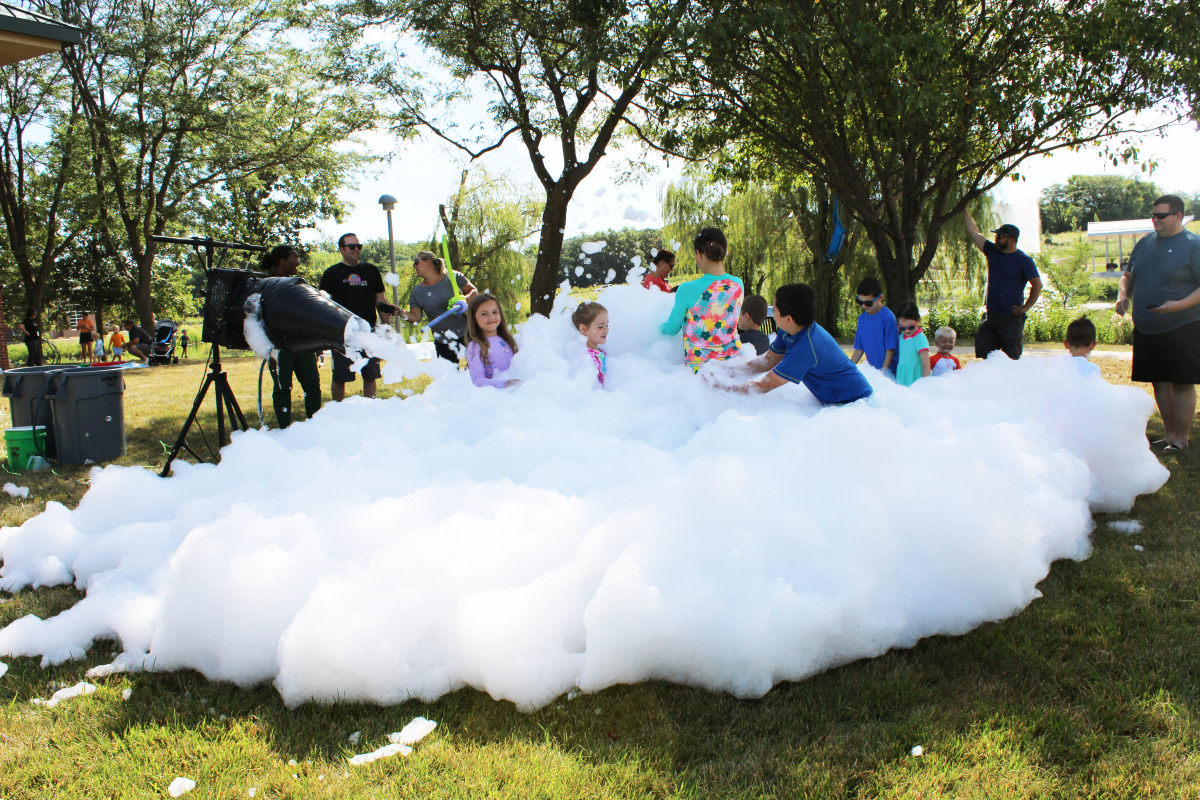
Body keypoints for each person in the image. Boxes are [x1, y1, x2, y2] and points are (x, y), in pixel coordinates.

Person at [1115, 194, 1200, 451]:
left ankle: (1182, 439)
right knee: (1160, 382)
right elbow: (1128, 274)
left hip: (1182, 326)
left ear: (1178, 216)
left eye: (1161, 216)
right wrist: (1122, 296)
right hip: (1146, 328)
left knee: (1182, 382)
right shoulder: (1145, 243)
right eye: (1153, 215)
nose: (1155, 220)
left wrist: (1178, 306)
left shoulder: (1193, 245)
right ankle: (1170, 435)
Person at [704, 283, 873, 405]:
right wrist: (729, 370)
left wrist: (724, 389)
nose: (773, 314)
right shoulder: (790, 329)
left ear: (788, 319)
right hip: (838, 402)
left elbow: (764, 386)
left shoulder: (806, 347)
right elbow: (768, 360)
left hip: (856, 403)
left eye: (775, 310)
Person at [318, 233, 398, 401]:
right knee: (340, 376)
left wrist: (386, 327)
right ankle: (338, 409)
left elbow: (380, 300)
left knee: (370, 374)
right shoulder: (331, 273)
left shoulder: (371, 270)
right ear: (342, 249)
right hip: (343, 334)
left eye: (358, 246)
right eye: (352, 246)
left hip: (368, 332)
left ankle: (371, 407)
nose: (356, 250)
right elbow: (324, 305)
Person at [962, 211, 1043, 360]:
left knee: (1011, 360)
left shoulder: (1024, 260)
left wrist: (1025, 307)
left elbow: (1037, 285)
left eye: (1000, 237)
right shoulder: (993, 252)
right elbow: (974, 234)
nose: (996, 239)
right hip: (991, 316)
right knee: (983, 358)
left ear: (1012, 240)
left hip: (1011, 319)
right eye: (996, 236)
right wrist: (964, 211)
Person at [661, 228, 744, 371]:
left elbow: (672, 328)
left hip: (699, 370)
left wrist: (651, 329)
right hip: (733, 365)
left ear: (699, 254)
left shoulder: (687, 289)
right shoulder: (738, 284)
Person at [263, 245, 323, 426]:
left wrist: (316, 345)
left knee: (312, 386)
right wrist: (270, 350)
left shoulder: (297, 283)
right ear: (282, 261)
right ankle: (284, 427)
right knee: (283, 388)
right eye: (294, 258)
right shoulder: (267, 284)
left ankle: (315, 424)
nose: (297, 262)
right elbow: (263, 318)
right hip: (279, 346)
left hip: (302, 344)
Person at [400, 250, 479, 364]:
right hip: (443, 340)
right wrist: (398, 311)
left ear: (428, 262)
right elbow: (416, 318)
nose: (414, 266)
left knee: (478, 370)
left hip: (468, 333)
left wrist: (464, 299)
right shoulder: (417, 292)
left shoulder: (453, 276)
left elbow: (473, 291)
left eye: (417, 261)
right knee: (449, 378)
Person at [465, 293, 520, 388]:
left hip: (516, 393)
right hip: (496, 397)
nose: (491, 317)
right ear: (474, 318)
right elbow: (477, 380)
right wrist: (504, 384)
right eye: (484, 314)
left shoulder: (508, 340)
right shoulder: (475, 346)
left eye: (495, 312)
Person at [848, 277, 898, 376]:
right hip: (874, 372)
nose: (863, 306)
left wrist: (884, 373)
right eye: (860, 302)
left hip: (890, 373)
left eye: (868, 303)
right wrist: (848, 370)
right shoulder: (861, 319)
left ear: (880, 297)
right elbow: (859, 349)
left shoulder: (888, 317)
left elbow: (890, 350)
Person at [894, 302, 931, 387]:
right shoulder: (902, 336)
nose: (907, 331)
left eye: (911, 327)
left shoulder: (920, 339)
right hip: (903, 377)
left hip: (916, 378)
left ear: (918, 321)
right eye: (902, 328)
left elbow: (926, 365)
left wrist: (925, 384)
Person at [573, 301, 608, 386]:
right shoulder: (588, 360)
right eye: (600, 327)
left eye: (607, 325)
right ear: (583, 329)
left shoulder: (601, 352)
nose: (606, 330)